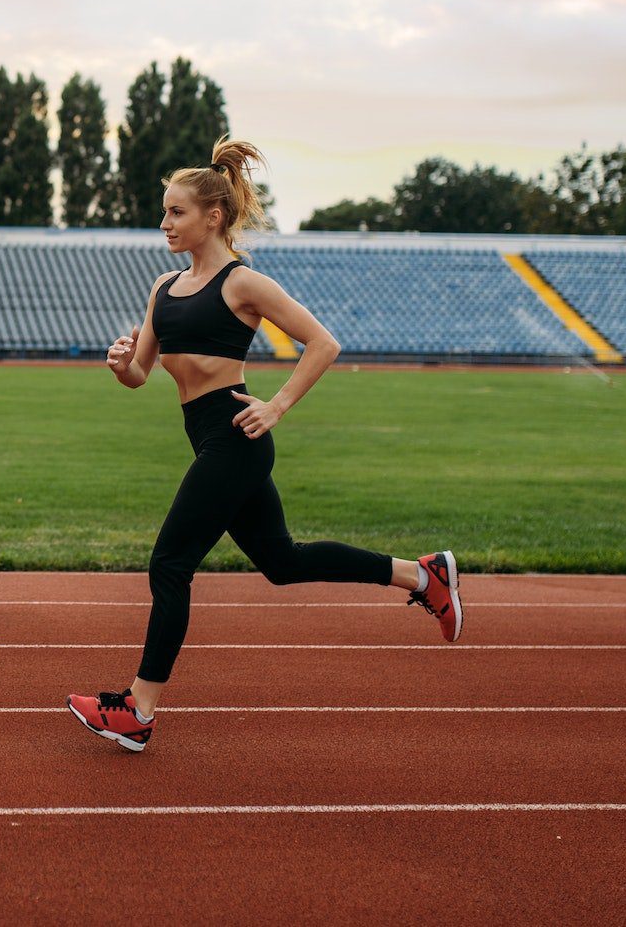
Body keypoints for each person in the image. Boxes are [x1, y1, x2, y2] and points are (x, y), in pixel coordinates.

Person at [67, 135, 461, 753]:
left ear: (212, 217)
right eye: (165, 211)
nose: (164, 222)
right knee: (282, 562)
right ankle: (422, 575)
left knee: (170, 564)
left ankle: (139, 708)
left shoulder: (242, 283)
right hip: (207, 440)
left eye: (177, 212)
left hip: (236, 438)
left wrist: (277, 405)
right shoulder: (163, 289)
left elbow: (324, 343)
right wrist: (120, 363)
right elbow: (141, 374)